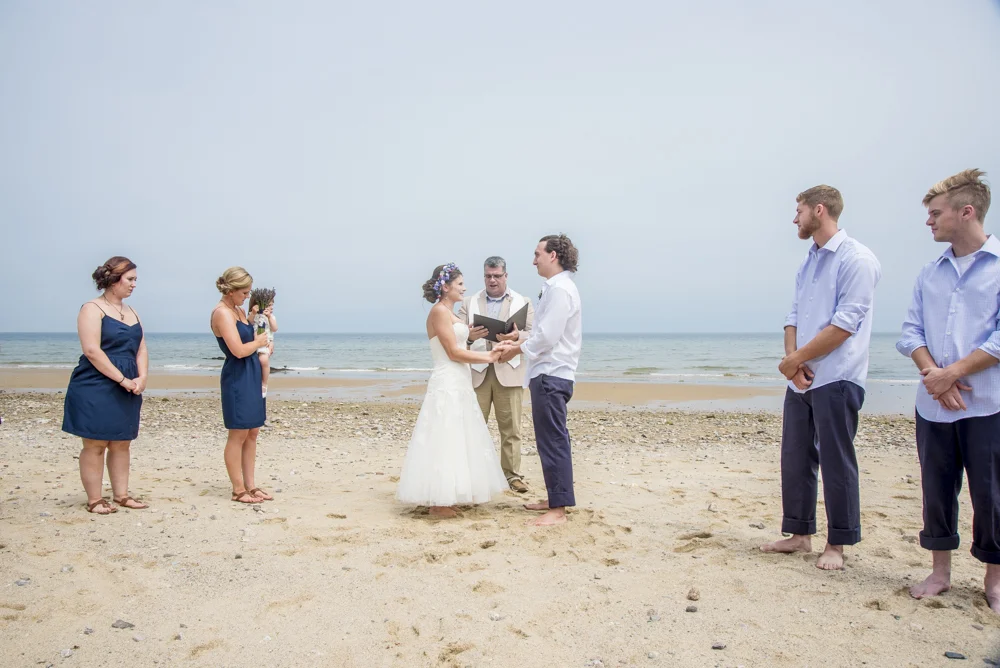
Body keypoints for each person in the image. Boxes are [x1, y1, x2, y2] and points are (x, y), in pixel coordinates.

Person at [760, 185, 881, 570]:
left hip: (839, 375)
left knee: (836, 459)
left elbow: (845, 324)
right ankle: (799, 535)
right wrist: (793, 364)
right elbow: (793, 315)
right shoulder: (808, 261)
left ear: (820, 210)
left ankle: (837, 545)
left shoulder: (857, 258)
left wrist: (797, 359)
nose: (794, 219)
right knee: (795, 455)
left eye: (798, 211)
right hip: (802, 377)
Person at [896, 169, 1000, 611]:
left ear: (967, 212)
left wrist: (952, 371)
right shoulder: (929, 273)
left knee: (991, 494)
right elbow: (909, 331)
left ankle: (994, 581)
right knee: (936, 490)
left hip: (987, 404)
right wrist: (934, 377)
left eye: (935, 214)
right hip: (934, 405)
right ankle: (940, 572)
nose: (929, 222)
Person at [396, 263, 508, 518]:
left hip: (460, 380)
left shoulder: (452, 314)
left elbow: (460, 343)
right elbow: (453, 352)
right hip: (447, 380)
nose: (464, 288)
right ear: (445, 287)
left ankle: (448, 496)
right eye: (459, 284)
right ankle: (438, 502)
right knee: (444, 436)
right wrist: (490, 357)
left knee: (458, 436)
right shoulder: (438, 312)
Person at [497, 235, 582, 527]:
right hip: (547, 372)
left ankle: (558, 510)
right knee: (549, 440)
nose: (533, 260)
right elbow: (541, 332)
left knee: (554, 439)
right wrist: (517, 336)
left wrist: (516, 349)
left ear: (553, 255)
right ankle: (554, 497)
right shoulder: (555, 288)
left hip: (551, 373)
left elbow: (548, 337)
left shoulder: (560, 289)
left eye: (537, 254)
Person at [62, 256, 149, 514]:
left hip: (129, 383)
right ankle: (95, 499)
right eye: (130, 279)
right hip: (96, 383)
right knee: (95, 443)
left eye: (135, 280)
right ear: (113, 280)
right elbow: (92, 351)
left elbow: (141, 347)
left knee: (122, 441)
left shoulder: (132, 312)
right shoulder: (92, 308)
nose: (134, 285)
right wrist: (122, 379)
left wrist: (141, 377)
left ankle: (121, 495)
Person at [457, 256, 535, 493]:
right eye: (488, 276)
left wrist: (516, 337)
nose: (492, 280)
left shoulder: (524, 302)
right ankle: (473, 474)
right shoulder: (468, 303)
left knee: (511, 428)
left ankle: (513, 476)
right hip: (477, 372)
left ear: (506, 276)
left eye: (497, 276)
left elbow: (534, 334)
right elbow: (457, 336)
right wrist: (470, 336)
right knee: (472, 427)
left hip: (509, 372)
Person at [211, 267, 271, 504]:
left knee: (253, 431)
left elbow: (249, 340)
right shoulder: (221, 313)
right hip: (237, 375)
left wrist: (263, 342)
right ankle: (238, 489)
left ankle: (251, 485)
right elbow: (237, 350)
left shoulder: (236, 310)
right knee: (238, 433)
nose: (247, 297)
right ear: (231, 290)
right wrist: (258, 342)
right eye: (244, 292)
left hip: (252, 371)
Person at [249, 297, 278, 397]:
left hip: (265, 342)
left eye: (272, 305)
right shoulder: (255, 315)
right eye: (269, 305)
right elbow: (249, 323)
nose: (271, 307)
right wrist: (253, 313)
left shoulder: (271, 317)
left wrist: (269, 317)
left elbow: (275, 329)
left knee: (264, 360)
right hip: (253, 342)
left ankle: (264, 383)